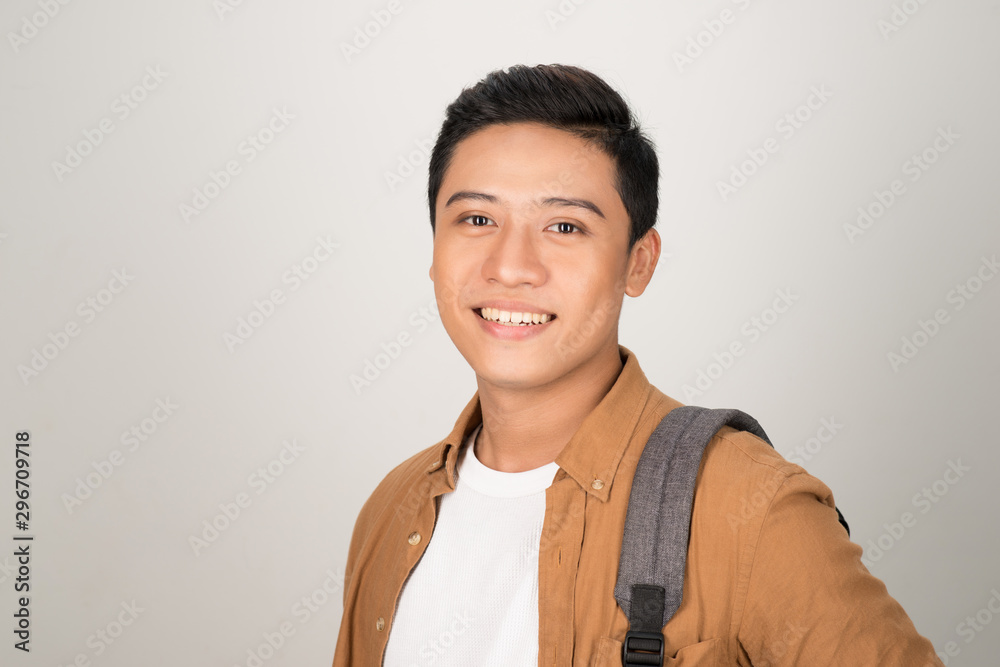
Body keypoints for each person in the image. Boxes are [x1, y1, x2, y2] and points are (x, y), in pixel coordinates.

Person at [332, 64, 942, 666]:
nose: (511, 265)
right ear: (434, 250)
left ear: (638, 263)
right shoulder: (392, 510)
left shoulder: (749, 507)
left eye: (564, 226)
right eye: (477, 219)